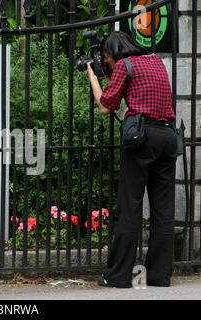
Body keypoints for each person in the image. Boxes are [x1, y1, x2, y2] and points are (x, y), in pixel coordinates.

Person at [86, 31, 177, 288]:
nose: (107, 64)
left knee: (131, 207)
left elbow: (106, 106)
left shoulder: (124, 65)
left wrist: (93, 75)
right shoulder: (155, 61)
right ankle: (159, 275)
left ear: (114, 53)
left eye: (106, 59)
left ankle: (118, 276)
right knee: (163, 210)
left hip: (142, 138)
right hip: (168, 137)